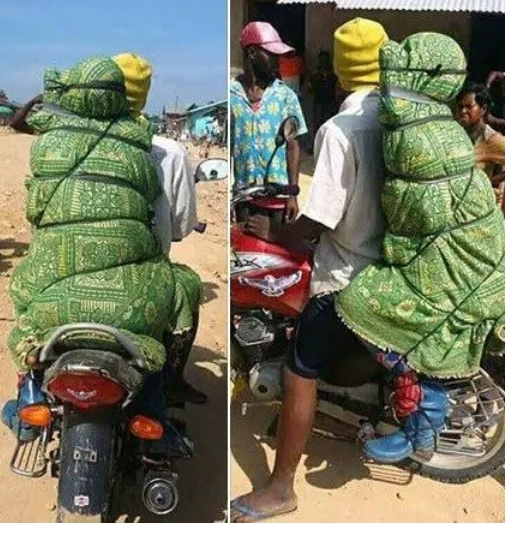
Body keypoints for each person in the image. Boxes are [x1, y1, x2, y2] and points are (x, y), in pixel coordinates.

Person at [230, 18, 389, 522]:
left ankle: (280, 487)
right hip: (384, 260)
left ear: (338, 72)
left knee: (301, 366)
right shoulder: (395, 117)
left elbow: (320, 217)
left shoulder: (342, 129)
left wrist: (276, 237)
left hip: (347, 268)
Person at [3, 53, 207, 440]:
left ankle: (28, 395)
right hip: (140, 284)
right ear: (142, 97)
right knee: (182, 290)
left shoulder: (55, 142)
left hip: (56, 285)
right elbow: (178, 228)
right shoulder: (163, 151)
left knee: (26, 301)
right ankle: (162, 390)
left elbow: (35, 212)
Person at [230, 21, 307, 223]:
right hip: (244, 198)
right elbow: (228, 147)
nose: (276, 60)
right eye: (271, 54)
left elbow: (292, 146)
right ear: (252, 53)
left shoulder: (286, 96)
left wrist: (292, 194)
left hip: (278, 200)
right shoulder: (231, 95)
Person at [456, 81, 505, 213]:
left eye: (469, 106)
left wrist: (488, 182)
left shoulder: (491, 139)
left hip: (478, 208)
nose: (463, 111)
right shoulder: (457, 133)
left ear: (483, 109)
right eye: (460, 107)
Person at [307, 50, 338, 152]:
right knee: (317, 126)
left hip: (330, 104)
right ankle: (315, 147)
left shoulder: (334, 75)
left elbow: (338, 88)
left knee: (330, 127)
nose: (323, 62)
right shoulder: (315, 75)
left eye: (325, 60)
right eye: (322, 60)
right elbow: (309, 88)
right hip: (319, 103)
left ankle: (328, 147)